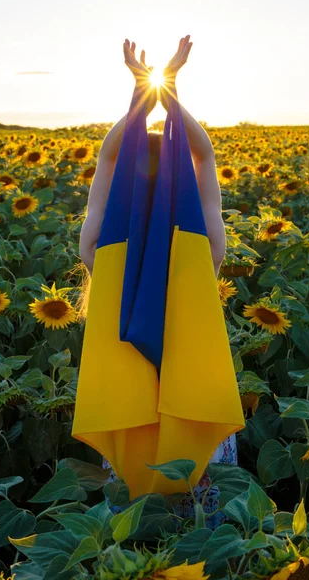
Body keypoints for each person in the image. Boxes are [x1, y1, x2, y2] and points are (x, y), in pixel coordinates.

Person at [77, 36, 239, 530]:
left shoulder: (102, 253)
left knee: (132, 533)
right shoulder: (202, 252)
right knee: (203, 539)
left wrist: (139, 93)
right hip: (196, 410)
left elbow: (107, 164)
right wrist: (167, 89)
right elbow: (205, 158)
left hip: (127, 416)